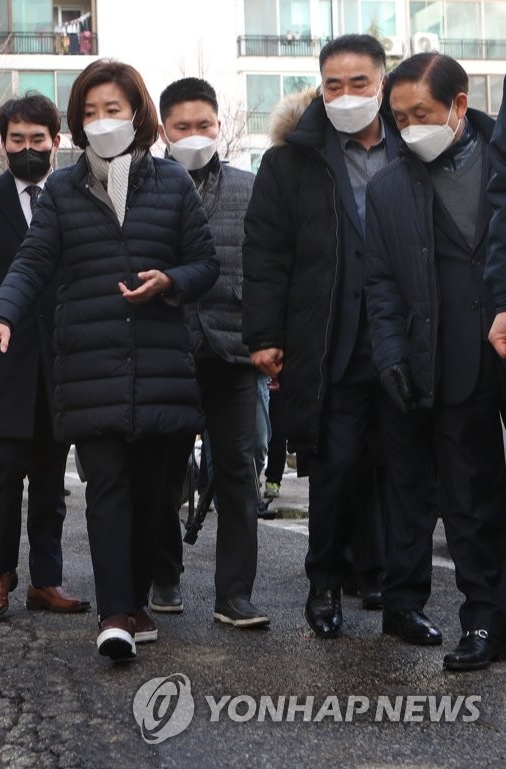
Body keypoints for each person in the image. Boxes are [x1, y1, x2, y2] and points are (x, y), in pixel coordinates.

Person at [0, 58, 218, 662]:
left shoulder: (173, 183)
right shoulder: (61, 190)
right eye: (91, 112)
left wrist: (171, 280)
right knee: (107, 487)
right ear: (76, 123)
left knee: (154, 496)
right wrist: (1, 316)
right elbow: (31, 262)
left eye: (115, 109)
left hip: (158, 366)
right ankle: (115, 613)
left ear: (138, 114)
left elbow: (205, 265)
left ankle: (134, 600)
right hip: (91, 366)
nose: (103, 121)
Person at [242, 34, 396, 639]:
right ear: (320, 88)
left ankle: (398, 592)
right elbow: (266, 254)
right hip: (329, 341)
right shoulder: (290, 162)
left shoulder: (410, 149)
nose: (347, 95)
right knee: (333, 471)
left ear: (382, 83)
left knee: (404, 472)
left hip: (403, 340)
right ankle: (324, 588)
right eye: (335, 84)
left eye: (360, 83)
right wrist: (265, 334)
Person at [365, 53, 506, 669]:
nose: (408, 126)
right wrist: (392, 352)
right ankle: (483, 619)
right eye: (398, 117)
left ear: (459, 106)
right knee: (468, 497)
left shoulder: (502, 158)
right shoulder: (389, 187)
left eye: (421, 113)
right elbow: (381, 284)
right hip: (450, 362)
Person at [0, 93, 89, 622]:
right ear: (3, 142)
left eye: (38, 139)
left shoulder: (75, 194)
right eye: (17, 139)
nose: (27, 148)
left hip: (60, 359)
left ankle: (46, 580)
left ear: (56, 142)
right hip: (0, 358)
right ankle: (0, 570)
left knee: (51, 477)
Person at [151, 77, 268, 628]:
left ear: (219, 125)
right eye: (182, 127)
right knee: (163, 468)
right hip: (167, 350)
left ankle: (234, 594)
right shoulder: (145, 187)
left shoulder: (251, 188)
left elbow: (269, 269)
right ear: (162, 131)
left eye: (204, 125)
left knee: (240, 470)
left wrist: (272, 340)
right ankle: (164, 575)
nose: (194, 135)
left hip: (234, 348)